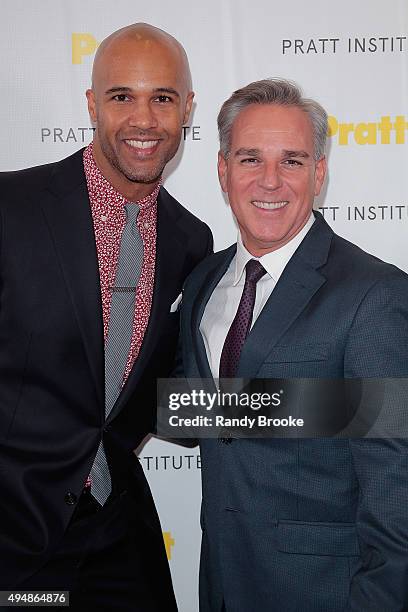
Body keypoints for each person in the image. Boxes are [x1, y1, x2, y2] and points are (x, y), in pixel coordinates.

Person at [0, 23, 212, 611]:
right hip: (15, 538)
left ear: (187, 109)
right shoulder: (13, 208)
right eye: (123, 97)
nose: (143, 120)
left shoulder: (191, 240)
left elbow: (167, 401)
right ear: (93, 105)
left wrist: (328, 407)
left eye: (162, 98)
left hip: (119, 532)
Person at [177, 79, 408, 611]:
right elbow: (204, 418)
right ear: (222, 169)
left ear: (320, 173)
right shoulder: (202, 285)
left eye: (293, 161)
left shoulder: (374, 296)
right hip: (220, 586)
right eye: (250, 158)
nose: (270, 181)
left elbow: (396, 494)